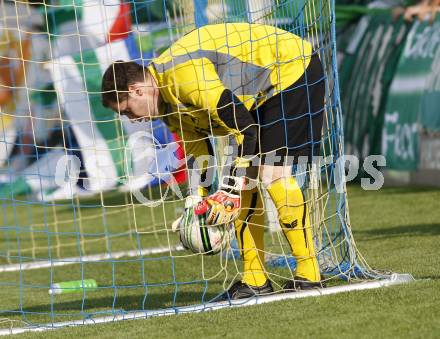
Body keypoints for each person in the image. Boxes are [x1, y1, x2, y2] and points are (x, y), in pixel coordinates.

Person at [101, 23, 325, 301]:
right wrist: (196, 200)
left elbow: (245, 129)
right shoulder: (166, 106)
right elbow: (198, 152)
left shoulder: (183, 77)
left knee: (271, 172)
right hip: (256, 95)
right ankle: (255, 279)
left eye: (126, 111)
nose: (131, 119)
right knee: (247, 182)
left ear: (137, 91)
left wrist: (228, 191)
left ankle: (309, 273)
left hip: (291, 68)